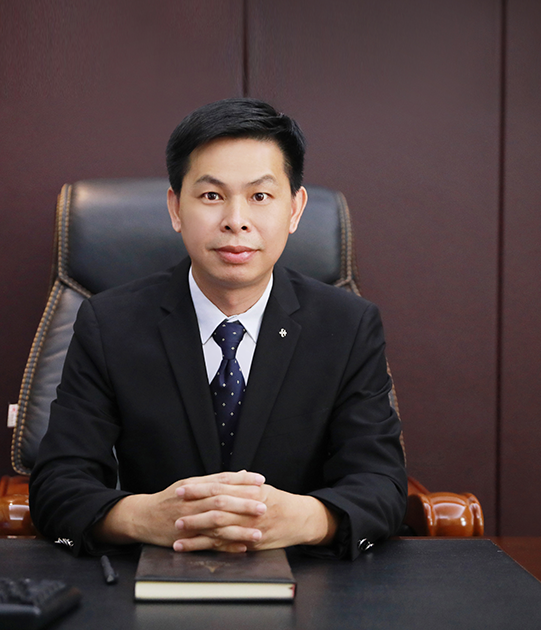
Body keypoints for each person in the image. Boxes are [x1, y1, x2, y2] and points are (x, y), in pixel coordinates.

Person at [29, 98, 407, 559]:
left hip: (305, 581)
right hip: (150, 574)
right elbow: (57, 487)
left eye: (260, 197)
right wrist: (146, 517)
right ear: (175, 208)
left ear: (295, 209)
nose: (235, 220)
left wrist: (302, 519)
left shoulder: (347, 326)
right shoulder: (109, 324)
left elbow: (382, 485)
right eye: (211, 196)